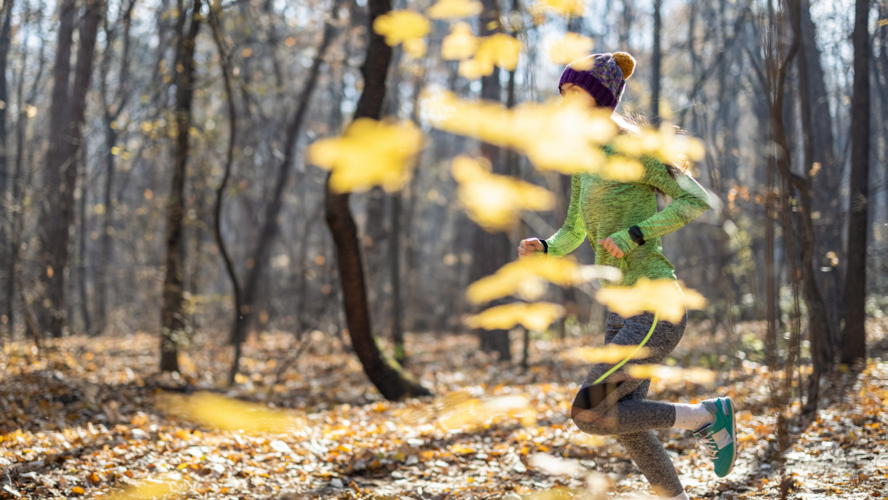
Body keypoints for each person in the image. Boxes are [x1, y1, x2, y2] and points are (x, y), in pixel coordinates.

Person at [517, 52, 736, 500]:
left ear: (599, 99)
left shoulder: (635, 150)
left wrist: (637, 233)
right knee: (626, 421)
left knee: (588, 411)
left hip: (655, 305)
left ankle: (705, 417)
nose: (564, 105)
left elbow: (696, 200)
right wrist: (546, 247)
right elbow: (575, 229)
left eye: (572, 94)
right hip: (619, 312)